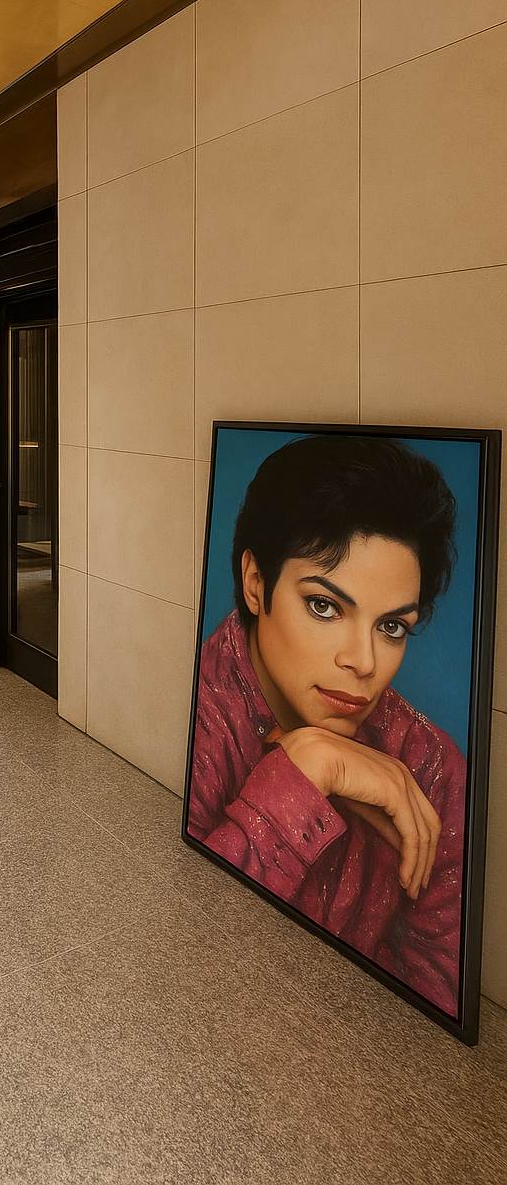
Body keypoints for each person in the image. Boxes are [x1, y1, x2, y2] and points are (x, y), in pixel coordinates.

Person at [187, 434, 466, 1018]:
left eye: (392, 627)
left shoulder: (432, 770)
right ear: (256, 584)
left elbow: (425, 1008)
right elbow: (188, 941)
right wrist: (306, 773)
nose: (363, 662)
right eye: (325, 606)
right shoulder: (205, 723)